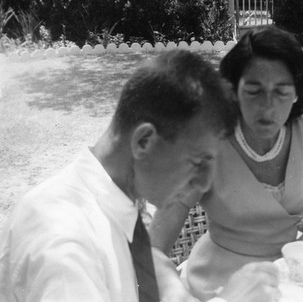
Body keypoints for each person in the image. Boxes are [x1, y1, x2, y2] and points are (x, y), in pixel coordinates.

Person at [0, 50, 281, 302]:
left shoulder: (112, 202)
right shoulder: (67, 254)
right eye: (198, 161)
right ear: (144, 141)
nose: (205, 182)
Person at [150, 26, 303, 301]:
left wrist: (299, 253)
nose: (267, 107)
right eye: (254, 91)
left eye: (281, 91)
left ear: (298, 92)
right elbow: (153, 249)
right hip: (218, 288)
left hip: (292, 280)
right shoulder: (207, 141)